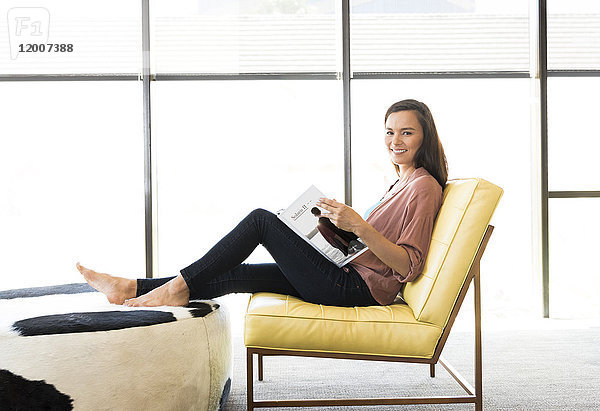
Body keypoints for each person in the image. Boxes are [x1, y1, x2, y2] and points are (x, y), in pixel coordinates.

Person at [77, 99, 447, 308]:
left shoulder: (424, 187)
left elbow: (409, 265)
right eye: (389, 131)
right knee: (239, 274)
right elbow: (366, 248)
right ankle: (131, 288)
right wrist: (333, 226)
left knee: (261, 221)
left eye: (406, 132)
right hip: (345, 272)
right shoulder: (401, 181)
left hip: (356, 289)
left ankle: (174, 289)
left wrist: (359, 225)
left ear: (423, 136)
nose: (394, 140)